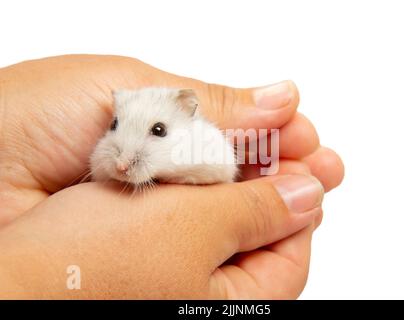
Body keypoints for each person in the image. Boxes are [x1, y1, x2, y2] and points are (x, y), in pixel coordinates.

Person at [0, 55, 344, 299]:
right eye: (116, 127)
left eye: (158, 130)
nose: (124, 160)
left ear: (189, 111)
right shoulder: (109, 153)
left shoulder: (206, 144)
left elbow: (224, 170)